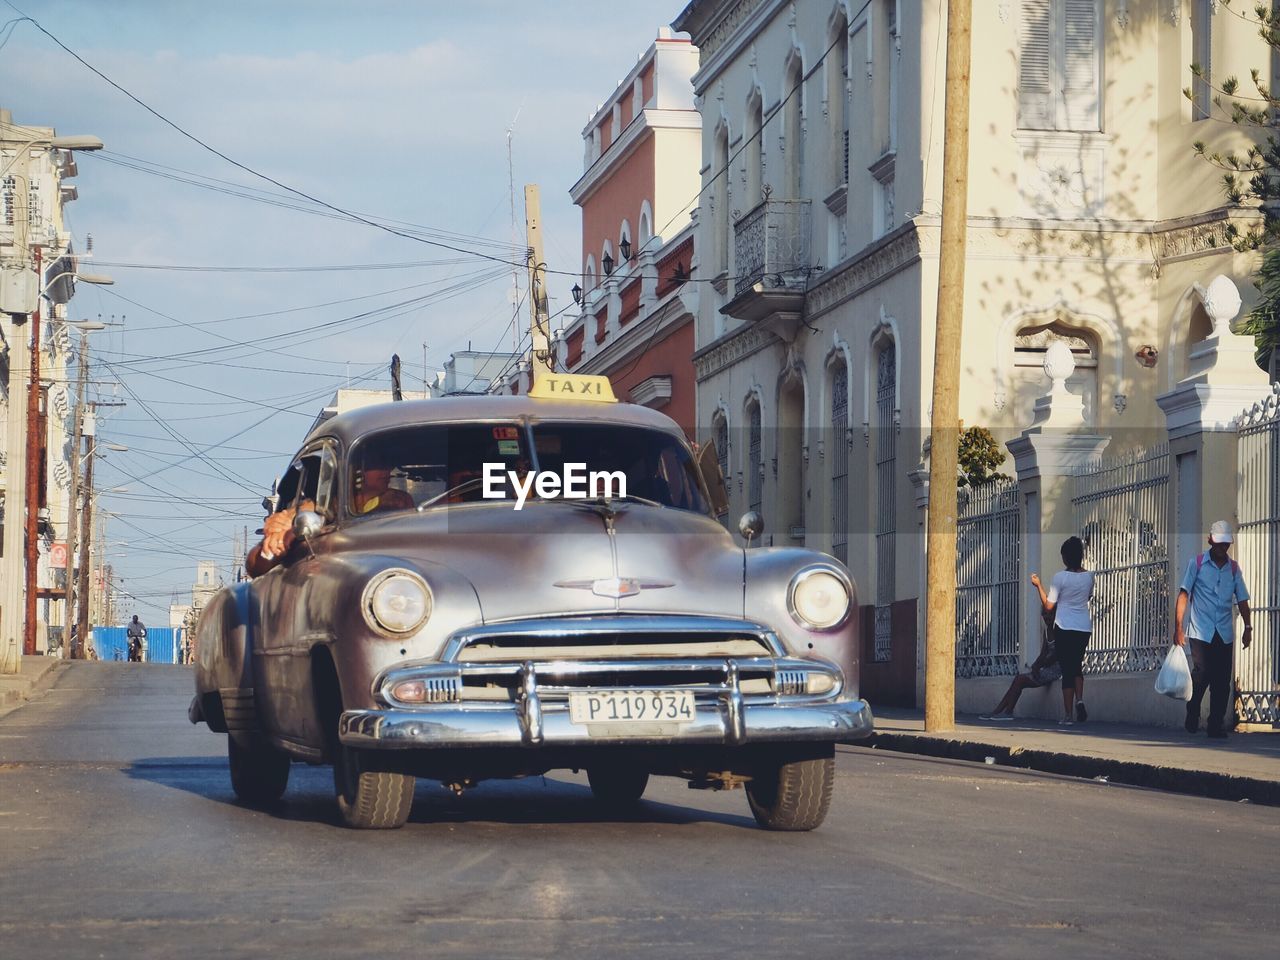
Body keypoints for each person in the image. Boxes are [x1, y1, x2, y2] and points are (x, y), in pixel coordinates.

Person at [1175, 520, 1252, 739]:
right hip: (1200, 631)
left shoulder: (1234, 569)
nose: (1222, 548)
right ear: (1211, 541)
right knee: (1201, 675)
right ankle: (1193, 709)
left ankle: (1215, 725)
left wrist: (1248, 627)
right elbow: (1184, 594)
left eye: (1226, 544)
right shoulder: (1197, 564)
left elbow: (1243, 599)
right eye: (1219, 544)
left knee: (1222, 682)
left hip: (1224, 632)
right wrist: (1178, 627)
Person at [1030, 536, 1094, 725]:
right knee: (1077, 665)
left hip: (1065, 627)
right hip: (1084, 627)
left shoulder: (1060, 577)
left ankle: (1068, 716)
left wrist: (1038, 586)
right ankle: (1080, 700)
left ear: (1065, 557)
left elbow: (1049, 607)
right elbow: (1088, 597)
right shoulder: (1090, 576)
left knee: (1068, 669)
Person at [979, 622, 1062, 720]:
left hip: (1057, 670)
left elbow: (1056, 656)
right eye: (1044, 615)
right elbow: (1043, 653)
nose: (1047, 618)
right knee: (1018, 680)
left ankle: (1007, 712)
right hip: (1046, 668)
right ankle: (998, 711)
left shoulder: (1060, 630)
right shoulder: (1047, 630)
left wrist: (1040, 665)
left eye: (1049, 615)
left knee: (1020, 680)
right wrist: (1035, 666)